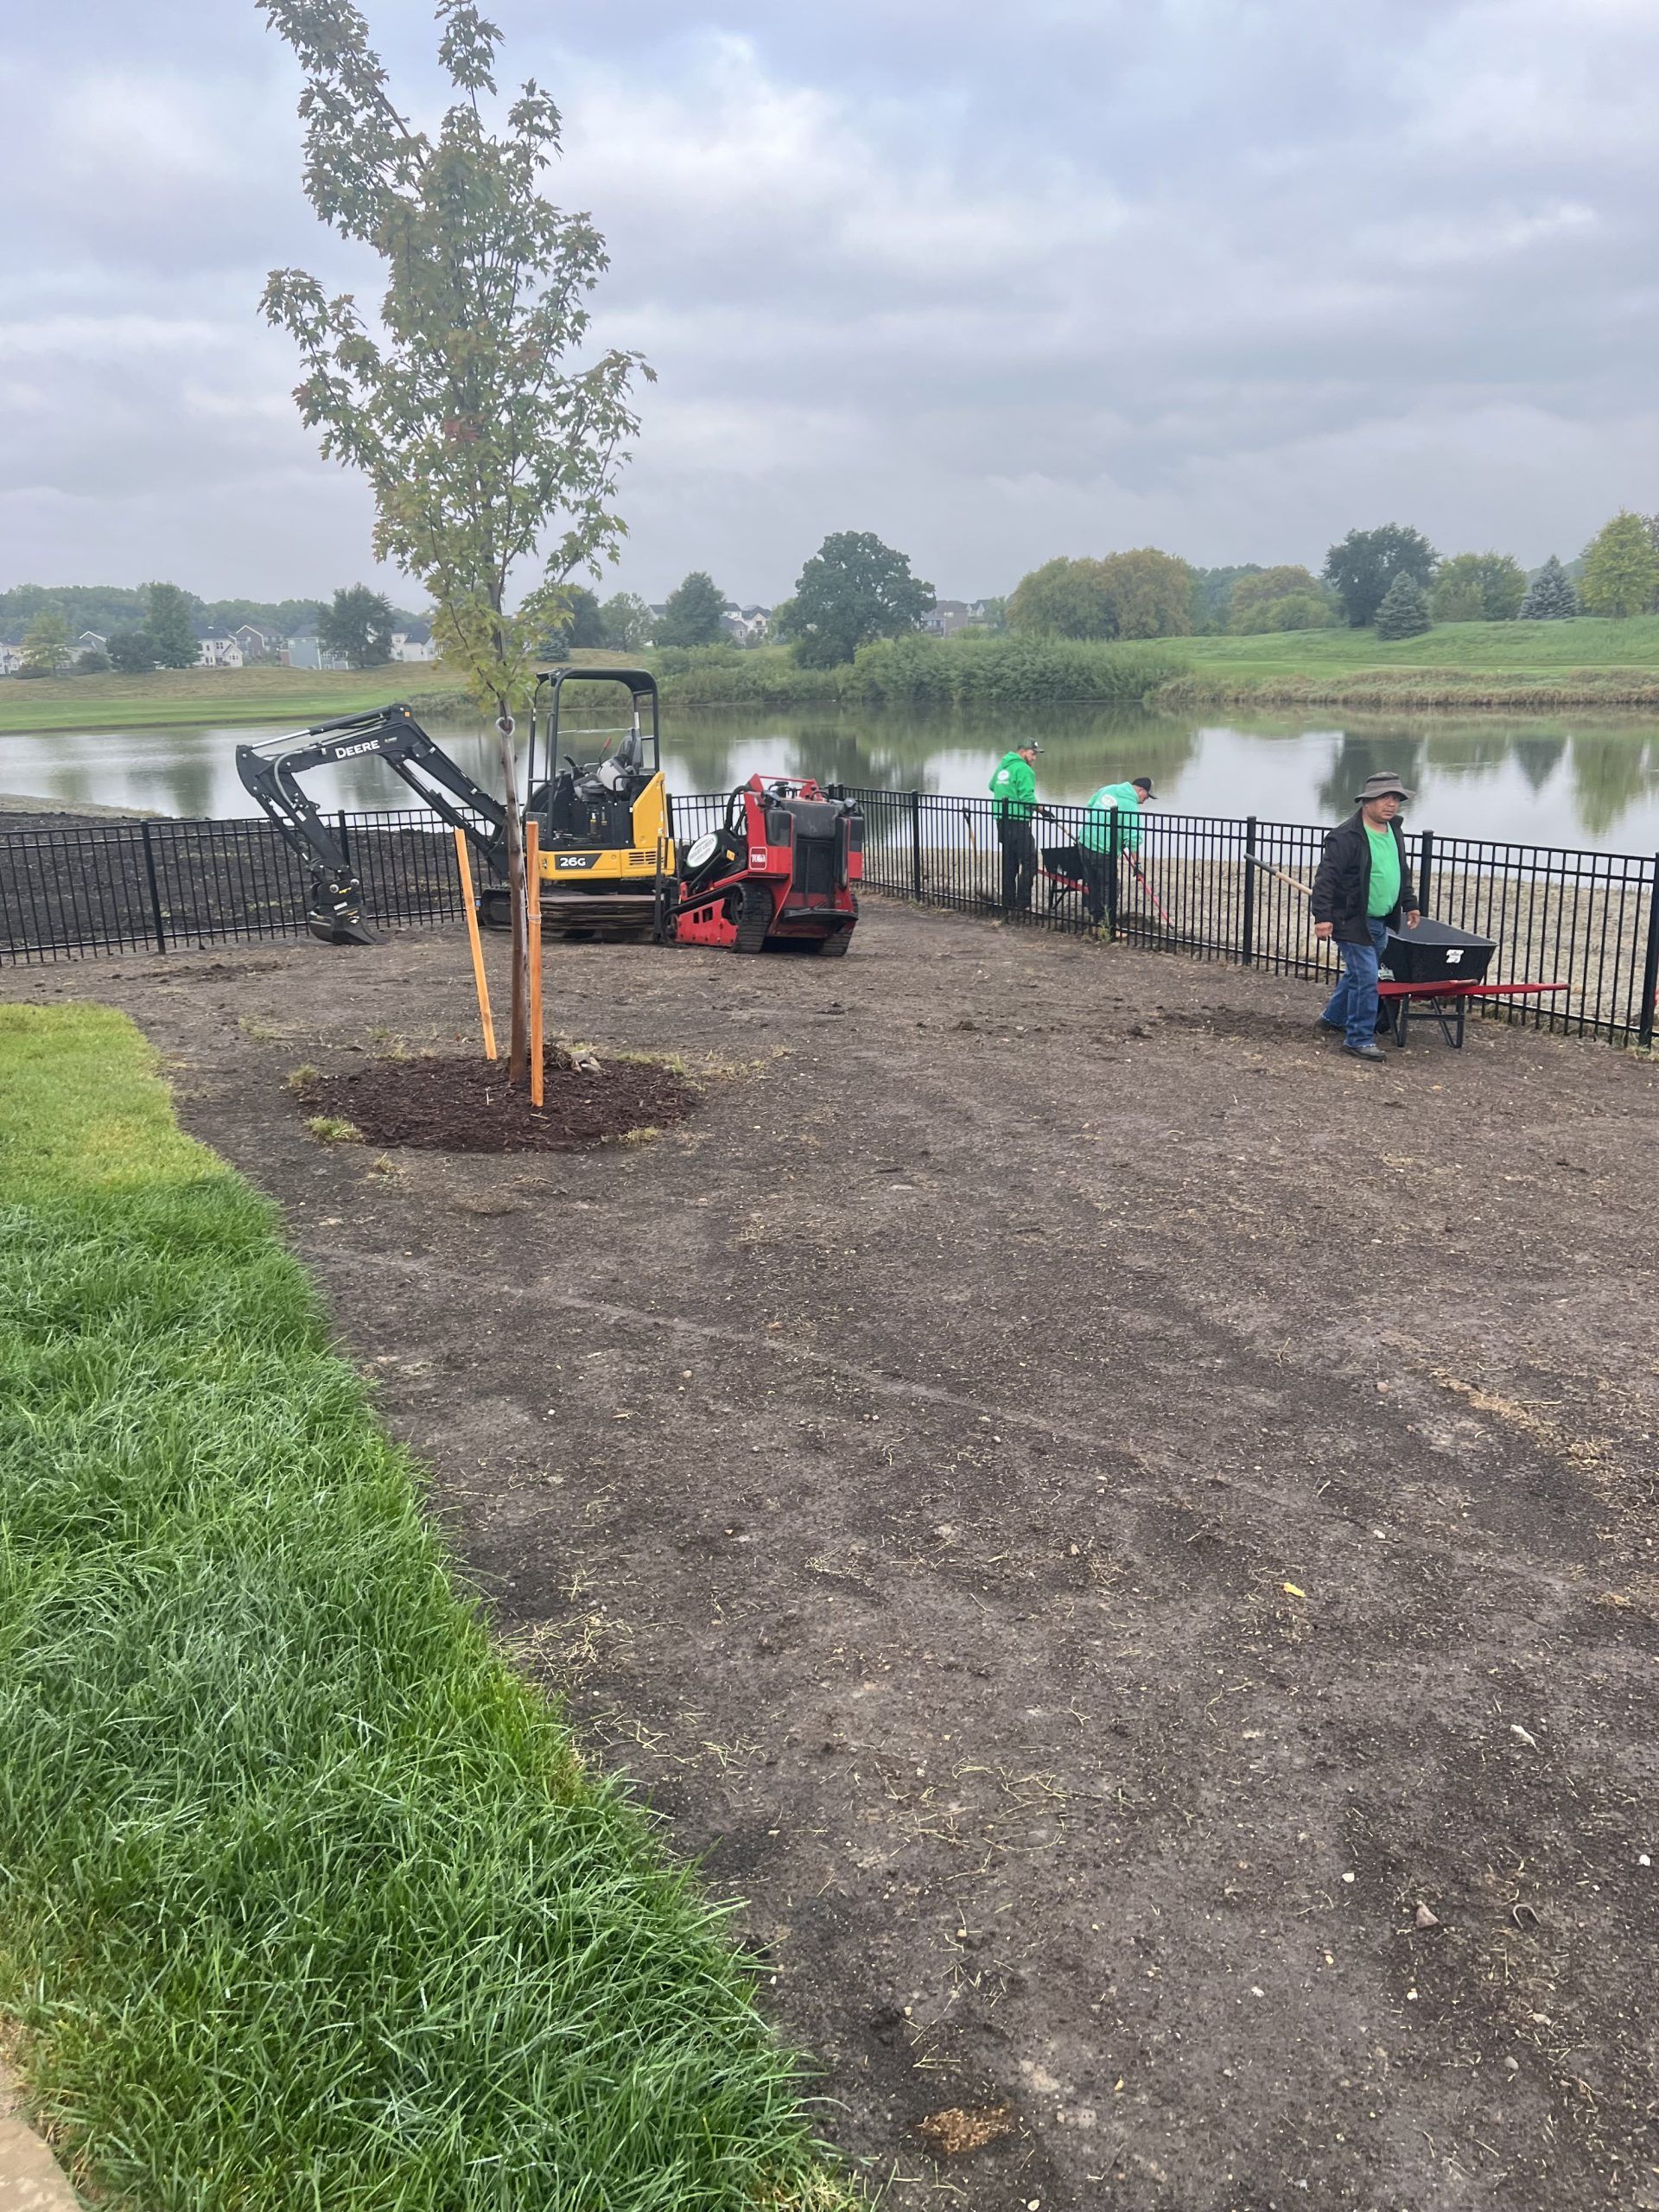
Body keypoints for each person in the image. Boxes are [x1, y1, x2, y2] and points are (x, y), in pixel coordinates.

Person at [1310, 772, 1422, 1062]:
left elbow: (1400, 871)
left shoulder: (1394, 830)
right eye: (1384, 798)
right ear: (1367, 801)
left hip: (1380, 920)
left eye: (1396, 798)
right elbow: (1326, 879)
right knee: (1367, 977)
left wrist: (1409, 903)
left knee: (1358, 974)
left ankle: (1333, 1019)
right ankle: (1358, 1038)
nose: (1391, 804)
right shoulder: (1346, 837)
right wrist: (1322, 917)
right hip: (1351, 920)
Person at [1077, 775, 1154, 925]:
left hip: (1084, 842)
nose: (1146, 800)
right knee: (1110, 886)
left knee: (1092, 882)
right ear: (1141, 790)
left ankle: (1097, 916)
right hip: (1103, 850)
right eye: (1147, 796)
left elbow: (1090, 806)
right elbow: (1133, 837)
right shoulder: (1130, 805)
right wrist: (1137, 863)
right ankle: (1107, 922)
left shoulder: (1108, 788)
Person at [988, 741, 1043, 912]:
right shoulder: (1024, 769)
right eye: (1032, 754)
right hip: (1018, 822)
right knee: (1030, 862)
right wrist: (1041, 809)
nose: (1034, 758)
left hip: (1002, 821)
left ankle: (1008, 902)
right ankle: (1022, 903)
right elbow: (1027, 797)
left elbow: (992, 786)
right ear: (1023, 752)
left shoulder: (1003, 766)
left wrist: (1007, 792)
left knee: (1009, 863)